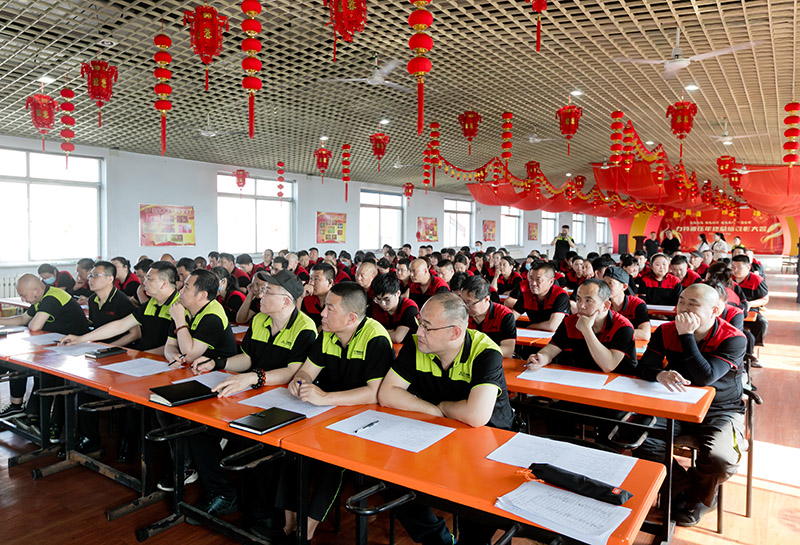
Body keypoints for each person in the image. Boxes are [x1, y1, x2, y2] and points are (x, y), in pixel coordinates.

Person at [378, 292, 513, 545]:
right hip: (437, 433)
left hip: (487, 445)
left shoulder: (485, 352)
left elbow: (476, 415)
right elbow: (387, 393)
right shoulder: (417, 344)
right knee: (386, 478)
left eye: (427, 327)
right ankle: (437, 539)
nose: (419, 332)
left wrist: (441, 406)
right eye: (419, 324)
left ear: (455, 332)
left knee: (474, 518)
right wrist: (434, 411)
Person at [187, 270, 316, 527]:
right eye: (262, 290)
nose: (260, 295)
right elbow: (246, 358)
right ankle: (223, 492)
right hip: (252, 395)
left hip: (283, 402)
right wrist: (217, 363)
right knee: (198, 428)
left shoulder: (305, 328)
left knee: (261, 446)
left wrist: (254, 377)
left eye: (267, 292)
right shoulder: (259, 320)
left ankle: (264, 515)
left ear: (286, 301)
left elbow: (293, 371)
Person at [276, 283, 394, 542]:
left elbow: (375, 393)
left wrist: (325, 397)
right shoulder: (328, 333)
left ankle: (305, 531)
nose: (322, 313)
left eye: (330, 308)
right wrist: (301, 382)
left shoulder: (375, 338)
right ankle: (288, 525)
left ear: (351, 318)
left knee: (331, 462)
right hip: (327, 411)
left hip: (364, 419)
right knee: (292, 452)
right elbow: (307, 370)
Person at [635, 284, 746, 526]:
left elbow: (704, 377)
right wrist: (659, 374)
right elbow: (643, 366)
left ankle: (697, 498)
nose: (683, 308)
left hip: (720, 410)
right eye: (681, 301)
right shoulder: (666, 330)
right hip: (676, 403)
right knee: (641, 440)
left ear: (715, 310)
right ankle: (684, 488)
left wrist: (686, 336)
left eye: (692, 304)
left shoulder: (734, 338)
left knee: (722, 459)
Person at [0, 275, 89, 419]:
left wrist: (29, 323)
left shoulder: (52, 297)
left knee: (40, 372)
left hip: (75, 349)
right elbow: (23, 319)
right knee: (17, 362)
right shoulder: (40, 299)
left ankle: (36, 415)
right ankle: (16, 407)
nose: (22, 299)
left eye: (23, 295)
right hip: (55, 345)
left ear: (36, 290)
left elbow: (34, 326)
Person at [60, 261, 180, 355]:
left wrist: (141, 355)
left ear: (164, 283)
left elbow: (176, 346)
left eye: (149, 279)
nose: (144, 283)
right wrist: (80, 339)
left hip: (161, 360)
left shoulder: (179, 306)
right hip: (144, 356)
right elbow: (120, 325)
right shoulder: (151, 304)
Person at [526, 279, 637, 375]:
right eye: (578, 299)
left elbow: (608, 366)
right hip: (582, 379)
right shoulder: (570, 322)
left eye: (588, 300)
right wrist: (540, 358)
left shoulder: (623, 327)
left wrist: (586, 330)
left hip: (618, 384)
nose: (581, 306)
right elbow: (550, 351)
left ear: (605, 306)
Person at [459, 276, 516, 357]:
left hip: (494, 359)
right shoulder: (460, 314)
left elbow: (508, 349)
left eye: (469, 303)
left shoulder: (504, 315)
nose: (465, 306)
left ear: (486, 299)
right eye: (463, 301)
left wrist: (479, 354)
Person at [506, 262, 570, 331]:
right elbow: (512, 317)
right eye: (531, 279)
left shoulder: (560, 295)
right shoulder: (526, 295)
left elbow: (552, 326)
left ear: (551, 282)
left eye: (538, 280)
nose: (533, 283)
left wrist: (531, 326)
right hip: (534, 334)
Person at [85, 261, 137, 344]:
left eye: (96, 275)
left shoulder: (121, 300)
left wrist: (109, 347)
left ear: (110, 279)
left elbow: (135, 334)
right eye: (90, 276)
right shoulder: (92, 300)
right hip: (98, 346)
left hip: (119, 347)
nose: (90, 279)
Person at [603, 267, 651, 341]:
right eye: (604, 283)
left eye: (610, 283)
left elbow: (645, 334)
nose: (606, 288)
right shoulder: (602, 304)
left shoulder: (637, 304)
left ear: (624, 286)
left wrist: (614, 333)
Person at [731, 255, 769, 347]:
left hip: (749, 310)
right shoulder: (728, 278)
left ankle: (754, 347)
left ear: (748, 267)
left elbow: (764, 299)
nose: (735, 270)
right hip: (731, 310)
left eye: (739, 268)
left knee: (762, 323)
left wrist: (750, 304)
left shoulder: (757, 280)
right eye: (733, 267)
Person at [370, 273, 419, 343]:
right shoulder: (374, 306)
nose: (382, 304)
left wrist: (377, 331)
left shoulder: (409, 307)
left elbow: (397, 338)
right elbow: (367, 331)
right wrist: (392, 332)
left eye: (387, 299)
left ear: (398, 293)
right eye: (378, 299)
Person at [299, 262, 336, 328]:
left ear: (330, 282)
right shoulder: (308, 298)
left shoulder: (339, 300)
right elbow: (297, 321)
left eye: (316, 279)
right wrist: (300, 297)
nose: (311, 283)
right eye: (311, 278)